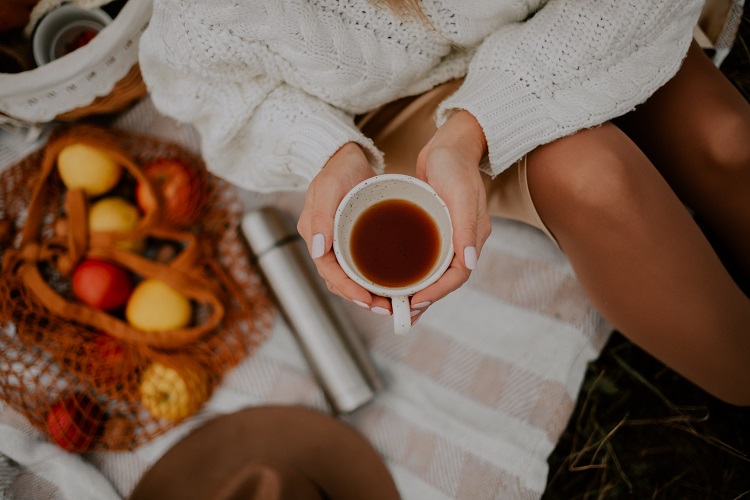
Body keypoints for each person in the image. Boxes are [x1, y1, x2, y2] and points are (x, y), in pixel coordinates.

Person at [139, 0, 750, 406]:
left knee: (728, 140)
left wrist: (486, 116)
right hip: (406, 96)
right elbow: (208, 87)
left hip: (573, 20)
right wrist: (330, 152)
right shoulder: (203, 13)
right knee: (591, 176)